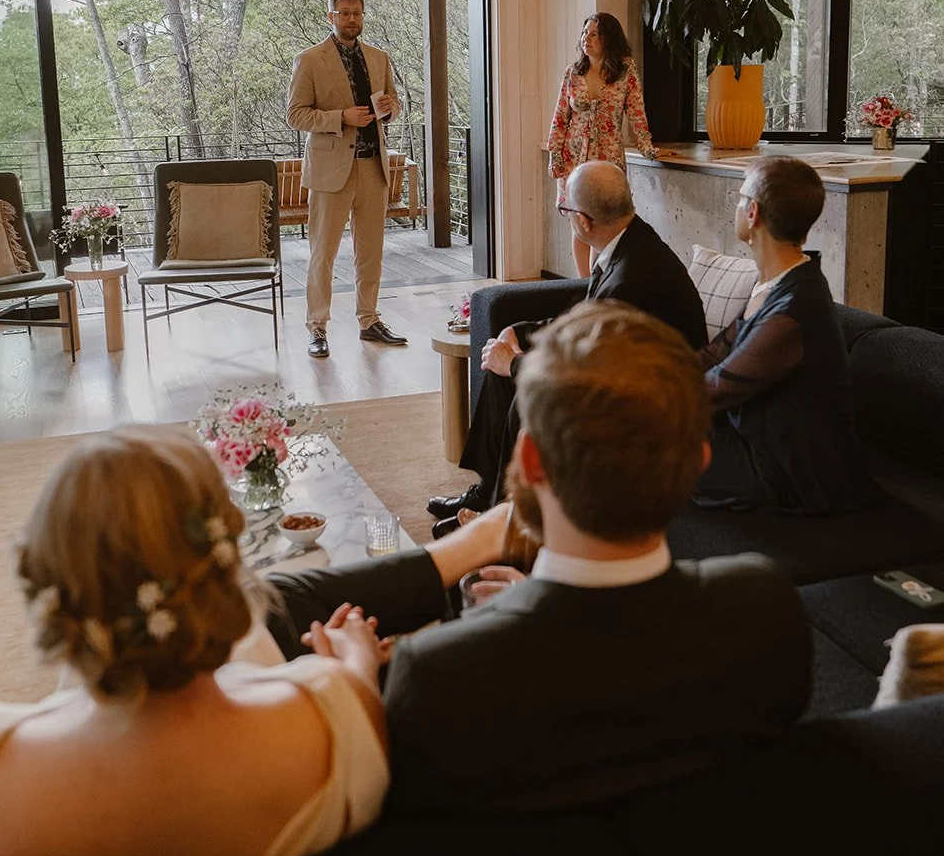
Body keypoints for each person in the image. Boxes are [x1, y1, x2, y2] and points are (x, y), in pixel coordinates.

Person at [285, 304, 812, 816]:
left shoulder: (436, 676)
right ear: (699, 462)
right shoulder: (767, 608)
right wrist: (533, 605)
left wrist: (355, 679)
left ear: (531, 459)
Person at [0, 426, 389, 856]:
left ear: (51, 582)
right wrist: (356, 662)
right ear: (225, 565)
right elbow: (352, 691)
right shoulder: (336, 717)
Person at [427, 160, 707, 526]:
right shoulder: (628, 242)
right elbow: (584, 317)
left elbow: (590, 366)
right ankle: (491, 495)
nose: (566, 216)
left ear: (585, 221)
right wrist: (521, 332)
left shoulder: (634, 277)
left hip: (646, 397)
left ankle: (505, 520)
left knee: (519, 380)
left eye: (566, 209)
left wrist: (514, 363)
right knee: (503, 360)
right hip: (616, 365)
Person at [693, 154, 866, 513]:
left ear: (753, 212)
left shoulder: (793, 310)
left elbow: (714, 390)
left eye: (739, 198)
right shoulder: (775, 283)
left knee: (641, 442)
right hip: (752, 436)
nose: (736, 206)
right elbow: (714, 353)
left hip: (787, 469)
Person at [286, 0, 406, 358]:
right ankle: (317, 327)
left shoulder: (379, 57)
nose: (352, 19)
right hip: (331, 171)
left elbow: (393, 107)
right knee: (323, 253)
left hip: (373, 168)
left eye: (357, 13)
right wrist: (341, 118)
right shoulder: (309, 60)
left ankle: (369, 320)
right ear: (331, 16)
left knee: (370, 252)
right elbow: (295, 115)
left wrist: (391, 108)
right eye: (344, 13)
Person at [548, 12, 660, 275]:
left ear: (608, 38)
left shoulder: (625, 71)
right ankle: (584, 284)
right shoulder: (573, 73)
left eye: (594, 33)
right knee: (579, 222)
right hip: (574, 159)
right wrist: (555, 155)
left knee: (604, 223)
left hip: (608, 158)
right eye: (585, 32)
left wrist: (647, 147)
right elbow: (560, 117)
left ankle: (598, 284)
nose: (586, 38)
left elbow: (636, 111)